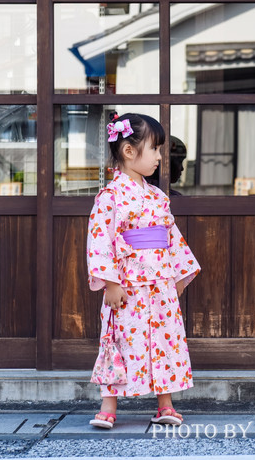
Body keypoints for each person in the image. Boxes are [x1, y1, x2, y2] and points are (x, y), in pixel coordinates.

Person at [86, 112, 200, 429]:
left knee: (165, 340)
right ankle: (108, 404)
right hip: (128, 285)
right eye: (155, 149)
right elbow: (100, 240)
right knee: (118, 341)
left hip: (160, 283)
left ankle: (165, 404)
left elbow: (171, 236)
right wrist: (110, 283)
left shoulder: (157, 197)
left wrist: (178, 275)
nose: (160, 157)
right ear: (129, 151)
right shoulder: (110, 198)